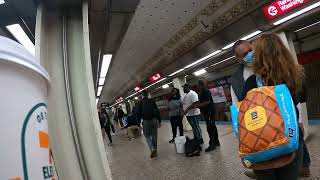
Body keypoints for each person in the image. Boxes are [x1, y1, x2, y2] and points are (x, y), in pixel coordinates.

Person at [232, 39, 311, 179]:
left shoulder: (252, 81)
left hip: (261, 141)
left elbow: (243, 113)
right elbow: (302, 97)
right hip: (290, 137)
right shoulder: (295, 74)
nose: (251, 54)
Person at [197, 79, 220, 152]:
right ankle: (216, 142)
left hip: (210, 112)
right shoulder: (202, 92)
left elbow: (207, 101)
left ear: (201, 85)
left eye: (198, 85)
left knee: (210, 128)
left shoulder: (206, 91)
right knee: (212, 127)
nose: (198, 86)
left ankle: (212, 144)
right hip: (207, 112)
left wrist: (198, 105)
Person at [138, 91, 161, 158]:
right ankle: (155, 151)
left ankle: (152, 149)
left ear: (142, 95)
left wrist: (138, 123)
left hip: (146, 121)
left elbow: (138, 114)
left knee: (147, 136)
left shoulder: (140, 102)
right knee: (154, 135)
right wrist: (159, 120)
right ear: (148, 94)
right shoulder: (152, 101)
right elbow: (157, 110)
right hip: (154, 120)